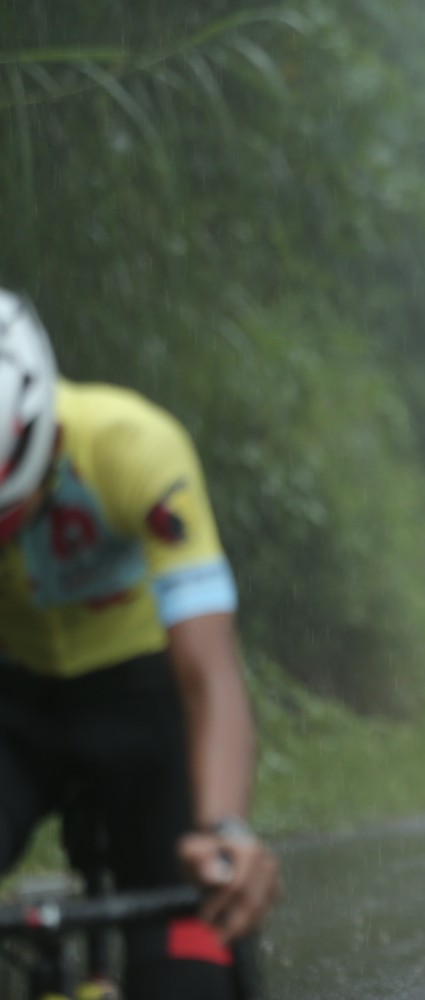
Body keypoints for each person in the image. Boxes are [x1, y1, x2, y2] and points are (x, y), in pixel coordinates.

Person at [0, 289, 280, 996]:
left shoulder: (133, 446)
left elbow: (210, 673)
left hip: (144, 699)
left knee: (187, 962)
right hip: (14, 705)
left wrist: (225, 831)